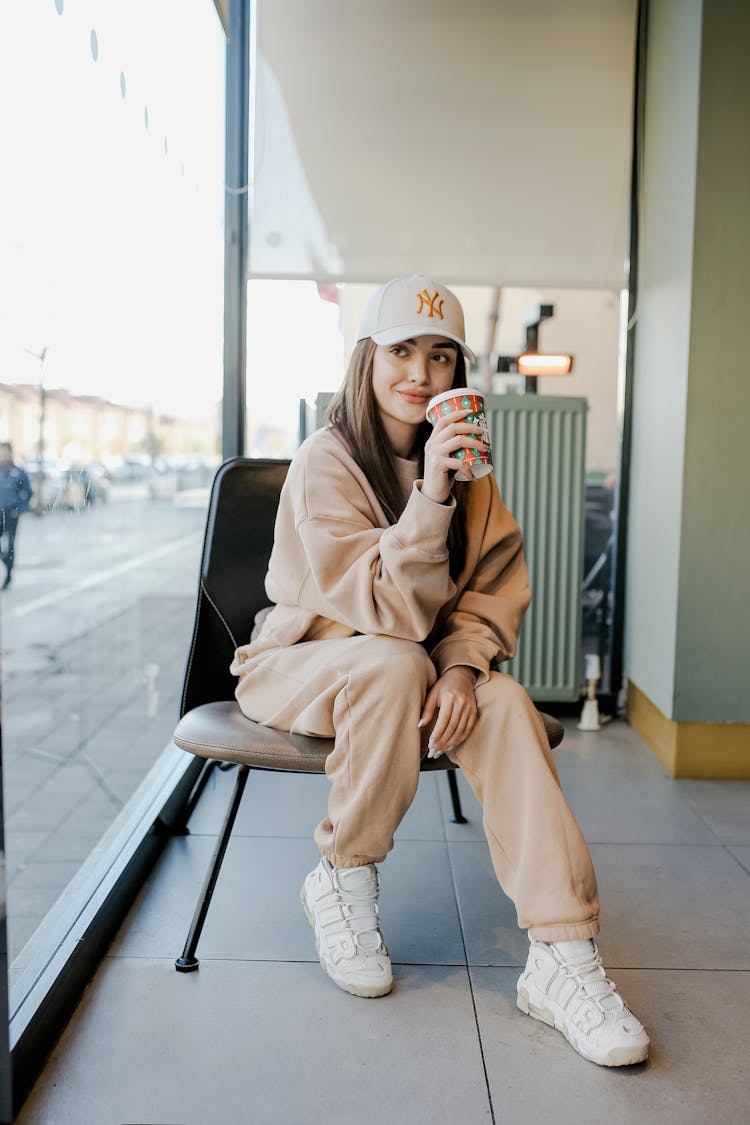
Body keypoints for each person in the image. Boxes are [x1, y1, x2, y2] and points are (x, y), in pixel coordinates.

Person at [231, 275, 649, 1068]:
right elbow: (385, 612)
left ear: (458, 372)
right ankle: (343, 875)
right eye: (400, 351)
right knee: (392, 664)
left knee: (506, 704)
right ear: (367, 359)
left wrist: (461, 670)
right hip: (296, 664)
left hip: (414, 673)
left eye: (440, 355)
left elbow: (490, 590)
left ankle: (562, 953)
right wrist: (429, 493)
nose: (419, 373)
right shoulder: (326, 461)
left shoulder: (467, 467)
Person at [0, 442, 33, 590]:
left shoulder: (19, 472)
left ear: (10, 453)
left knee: (10, 545)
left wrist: (19, 509)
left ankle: (8, 575)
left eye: (5, 452)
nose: (3, 455)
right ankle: (6, 561)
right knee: (3, 549)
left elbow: (28, 493)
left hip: (12, 514)